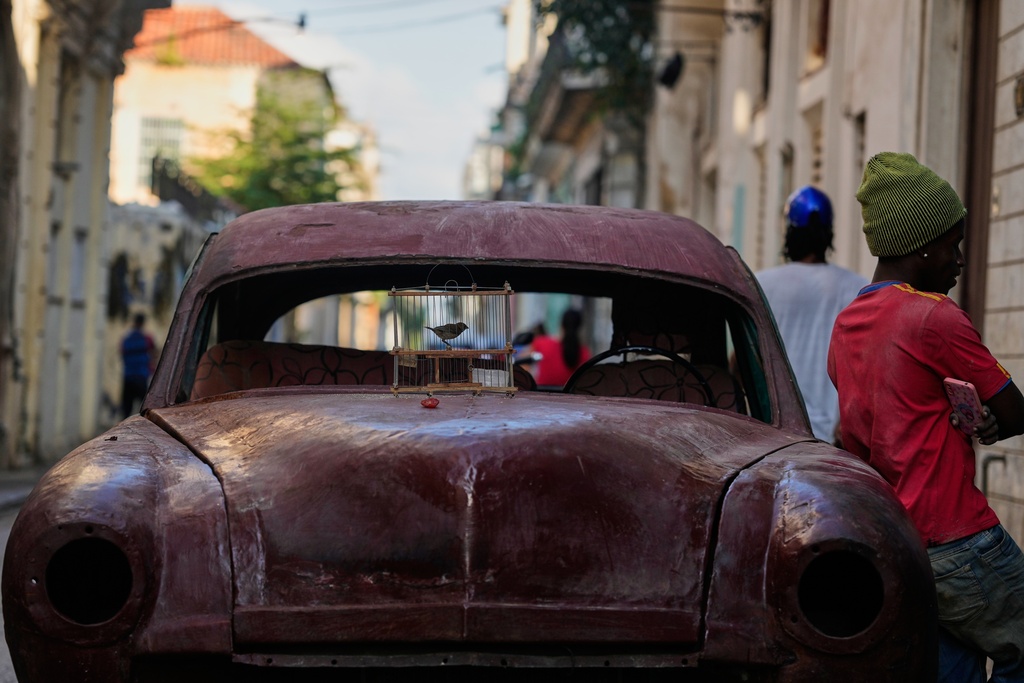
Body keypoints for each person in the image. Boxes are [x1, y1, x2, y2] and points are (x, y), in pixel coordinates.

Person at [827, 152, 1024, 682]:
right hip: (960, 538)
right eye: (952, 245)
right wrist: (997, 420)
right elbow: (1015, 409)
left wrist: (973, 422)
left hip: (898, 541)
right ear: (921, 247)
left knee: (951, 667)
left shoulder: (848, 324)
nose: (959, 260)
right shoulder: (934, 316)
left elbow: (876, 423)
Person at [756, 185, 868, 443]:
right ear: (828, 234)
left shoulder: (761, 284)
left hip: (773, 437)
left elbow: (743, 361)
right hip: (834, 442)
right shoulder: (856, 288)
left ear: (790, 232)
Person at [530, 309, 591, 387]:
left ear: (561, 324)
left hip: (540, 396)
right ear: (580, 327)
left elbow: (522, 364)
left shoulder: (542, 343)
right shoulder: (584, 353)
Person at [121, 312, 156, 418]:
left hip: (128, 377)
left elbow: (122, 353)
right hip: (141, 376)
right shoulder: (147, 339)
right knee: (144, 411)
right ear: (143, 323)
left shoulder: (126, 339)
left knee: (126, 411)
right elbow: (154, 353)